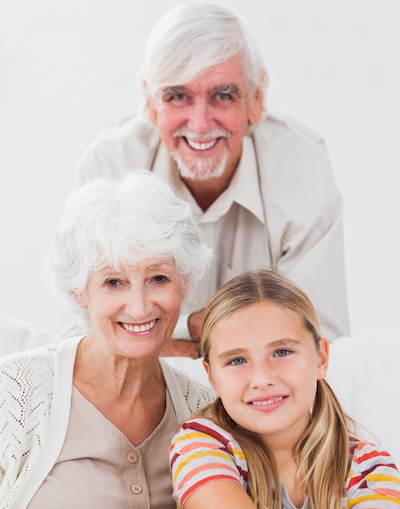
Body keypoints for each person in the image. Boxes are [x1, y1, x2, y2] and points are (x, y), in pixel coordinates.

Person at [0, 169, 215, 509]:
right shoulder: (11, 388)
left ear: (184, 284)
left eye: (158, 278)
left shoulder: (208, 412)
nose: (140, 306)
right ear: (79, 290)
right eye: (114, 283)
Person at [72, 1, 350, 358]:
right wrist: (196, 327)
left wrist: (152, 342)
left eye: (223, 95)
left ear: (256, 100)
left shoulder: (301, 169)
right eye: (177, 96)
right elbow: (80, 341)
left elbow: (318, 346)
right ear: (151, 103)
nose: (200, 124)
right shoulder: (109, 167)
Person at [169, 269, 400, 509]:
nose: (262, 378)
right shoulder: (201, 443)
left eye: (281, 351)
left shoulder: (371, 470)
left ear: (321, 358)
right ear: (211, 375)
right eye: (237, 360)